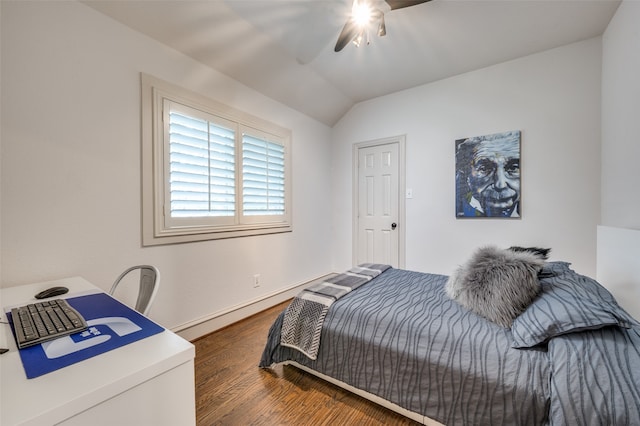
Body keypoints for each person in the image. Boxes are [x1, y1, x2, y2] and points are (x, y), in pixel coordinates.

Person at [455, 131, 521, 218]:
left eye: (513, 168)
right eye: (484, 168)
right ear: (466, 173)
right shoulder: (460, 212)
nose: (500, 185)